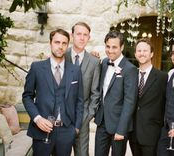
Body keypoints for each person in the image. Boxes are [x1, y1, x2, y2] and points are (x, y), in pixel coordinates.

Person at [22, 29, 84, 156]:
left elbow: (79, 100)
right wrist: (37, 118)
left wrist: (76, 128)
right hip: (42, 129)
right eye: (57, 42)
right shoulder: (37, 68)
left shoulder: (75, 70)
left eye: (64, 43)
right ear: (50, 43)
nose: (60, 46)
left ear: (67, 45)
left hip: (66, 131)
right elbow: (27, 96)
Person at [94, 30, 138, 156]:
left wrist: (121, 130)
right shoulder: (103, 63)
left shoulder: (130, 69)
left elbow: (130, 101)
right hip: (102, 122)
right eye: (108, 46)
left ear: (122, 47)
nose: (110, 50)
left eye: (114, 47)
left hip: (119, 126)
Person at [65, 22, 101, 156]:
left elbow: (95, 93)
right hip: (61, 117)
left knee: (82, 153)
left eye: (85, 35)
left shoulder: (94, 61)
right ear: (71, 35)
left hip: (83, 117)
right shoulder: (62, 55)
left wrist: (87, 116)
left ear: (89, 37)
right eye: (78, 34)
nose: (81, 38)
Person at [128, 38, 168, 156]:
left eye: (145, 50)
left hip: (152, 133)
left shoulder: (162, 77)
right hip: (133, 133)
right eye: (139, 50)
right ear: (135, 54)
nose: (142, 53)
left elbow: (166, 104)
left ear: (151, 54)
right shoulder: (131, 75)